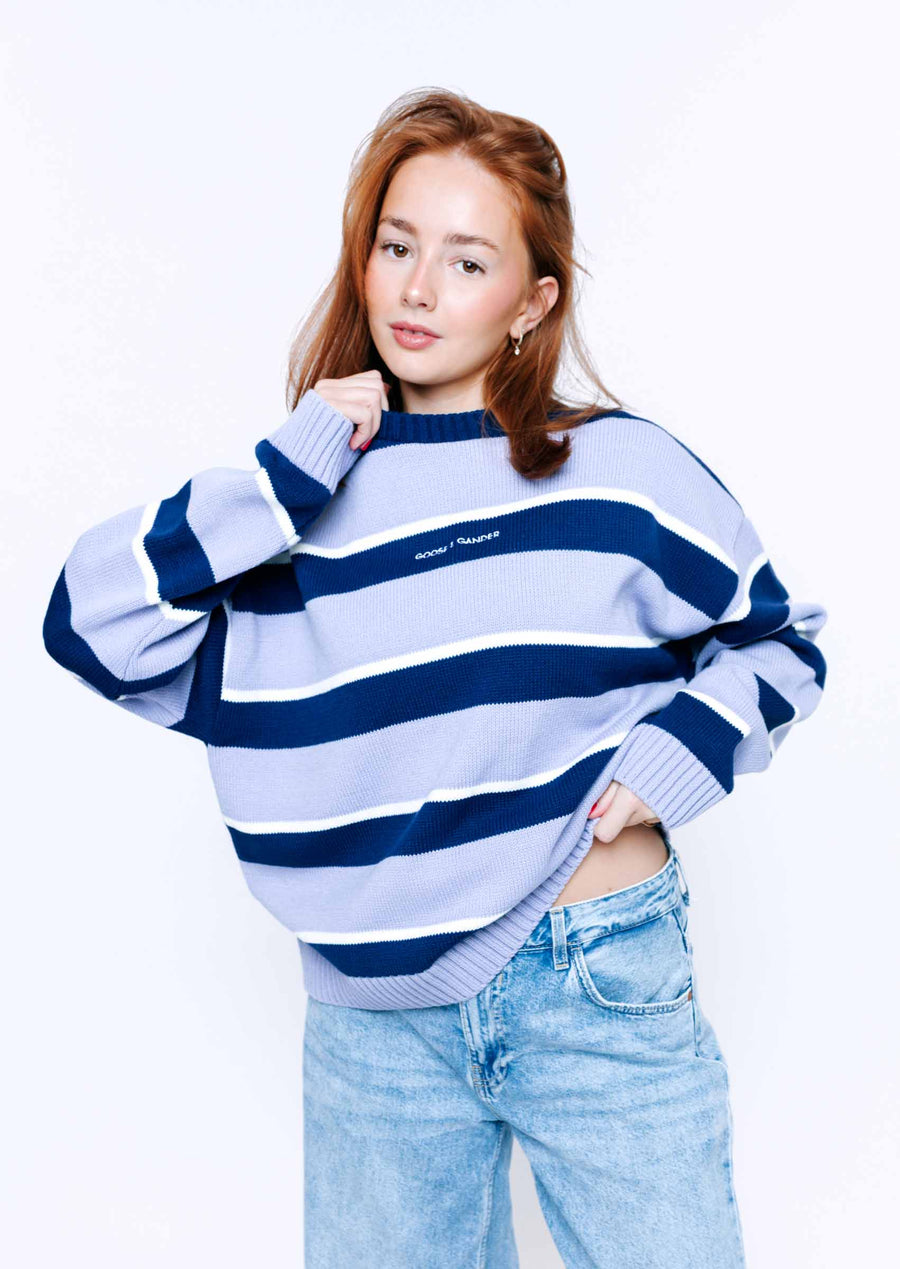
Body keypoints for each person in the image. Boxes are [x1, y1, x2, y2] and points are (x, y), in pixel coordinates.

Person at [42, 87, 828, 1268]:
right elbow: (87, 623)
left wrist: (680, 755)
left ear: (533, 301)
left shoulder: (619, 472)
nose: (418, 289)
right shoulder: (294, 511)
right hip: (371, 1028)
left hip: (590, 968)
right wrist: (288, 473)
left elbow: (782, 638)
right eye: (396, 247)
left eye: (467, 262)